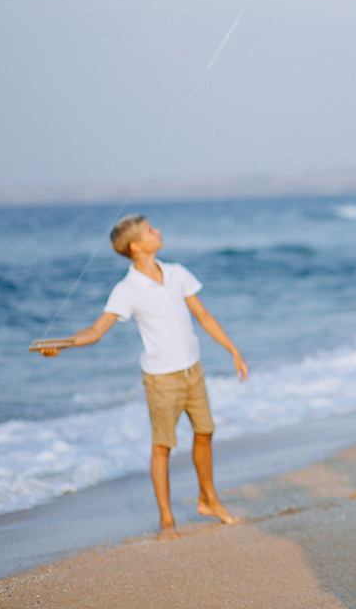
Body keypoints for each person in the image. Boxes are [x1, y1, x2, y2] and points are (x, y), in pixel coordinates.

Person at [39, 215, 248, 541]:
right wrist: (63, 344)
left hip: (193, 371)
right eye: (151, 230)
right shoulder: (127, 290)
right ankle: (167, 520)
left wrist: (233, 349)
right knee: (162, 446)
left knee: (205, 433)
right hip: (161, 380)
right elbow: (96, 331)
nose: (158, 231)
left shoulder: (177, 273)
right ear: (136, 246)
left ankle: (209, 500)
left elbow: (203, 316)